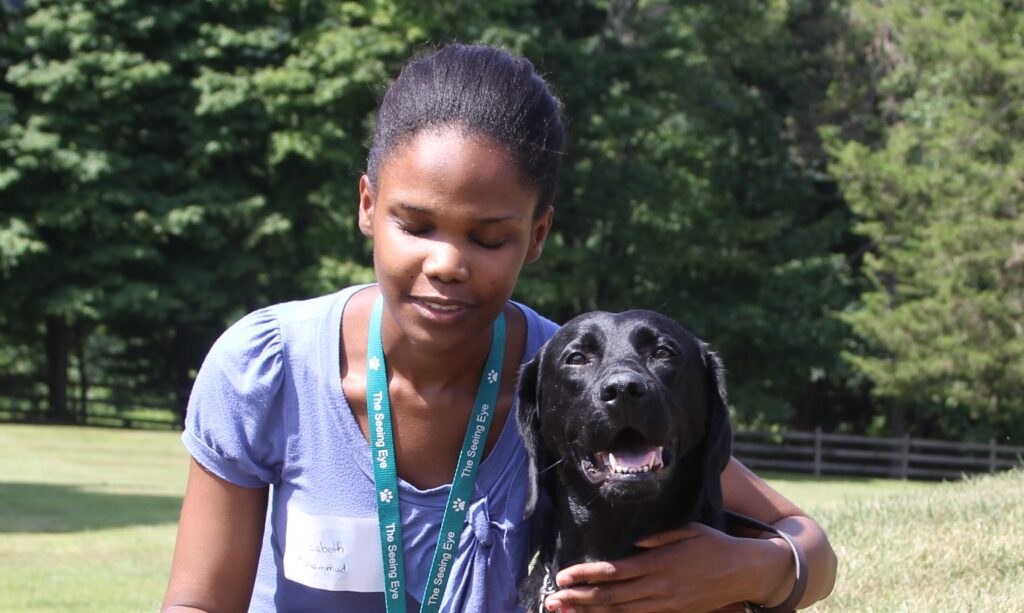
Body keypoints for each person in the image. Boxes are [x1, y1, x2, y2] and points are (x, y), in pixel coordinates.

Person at [162, 43, 837, 613]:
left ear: (536, 235)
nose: (447, 263)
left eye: (488, 237)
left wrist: (751, 570)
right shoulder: (267, 367)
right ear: (368, 206)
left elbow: (809, 544)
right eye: (416, 225)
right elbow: (197, 601)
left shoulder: (570, 378)